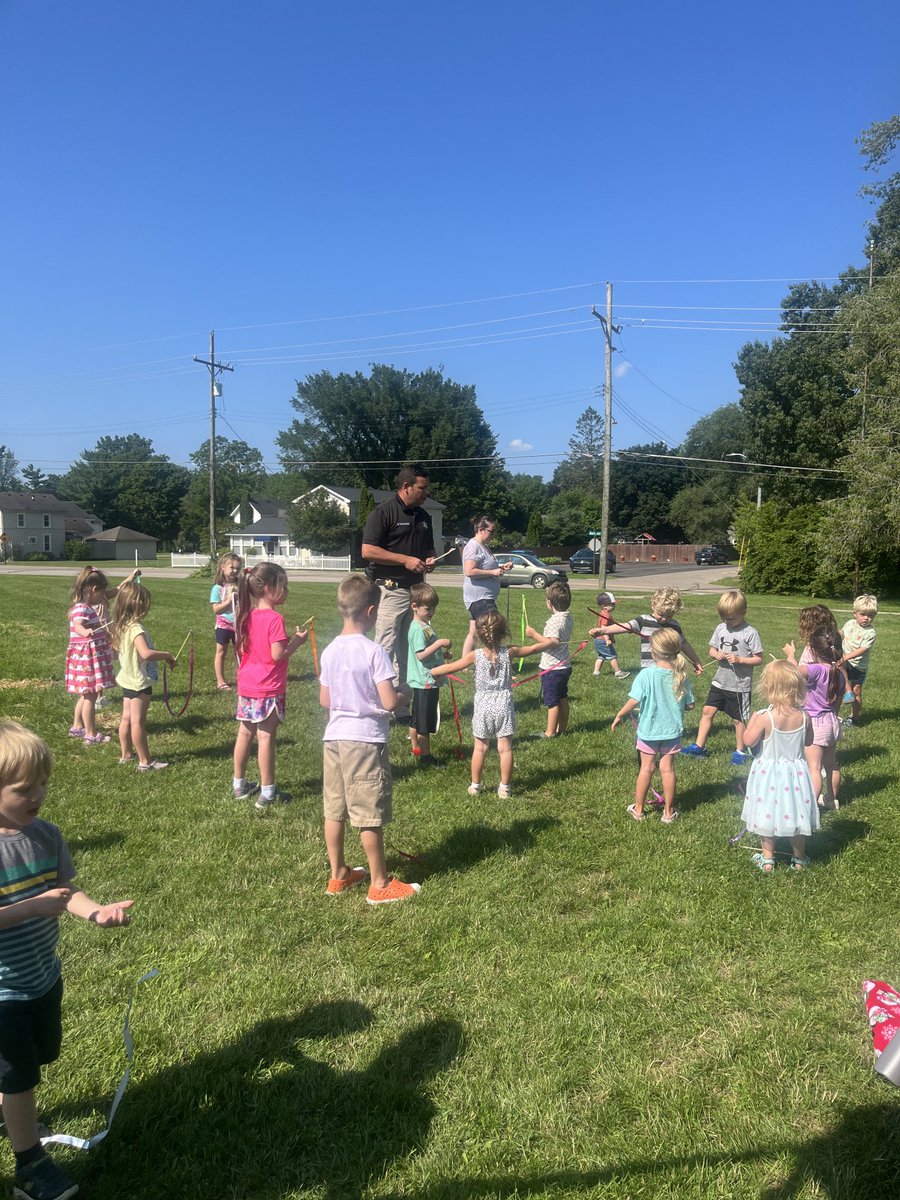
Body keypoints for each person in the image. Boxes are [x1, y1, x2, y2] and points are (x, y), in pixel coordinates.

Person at [0, 720, 133, 1200]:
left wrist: (95, 911)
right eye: (23, 788)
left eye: (43, 783)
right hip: (3, 991)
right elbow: (42, 901)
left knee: (41, 1056)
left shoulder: (47, 835)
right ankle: (30, 1167)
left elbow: (68, 891)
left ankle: (9, 1106)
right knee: (19, 1077)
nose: (38, 794)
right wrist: (33, 907)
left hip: (42, 976)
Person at [319, 575, 420, 905]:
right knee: (367, 813)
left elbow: (325, 700)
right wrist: (405, 693)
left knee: (334, 810)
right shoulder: (374, 651)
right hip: (363, 741)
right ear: (372, 611)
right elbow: (389, 701)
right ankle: (379, 884)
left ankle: (338, 875)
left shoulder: (330, 650)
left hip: (333, 738)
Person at [431, 611, 546, 798]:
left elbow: (453, 667)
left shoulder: (474, 656)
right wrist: (551, 643)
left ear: (479, 634)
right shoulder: (510, 652)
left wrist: (434, 670)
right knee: (505, 748)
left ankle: (475, 786)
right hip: (504, 704)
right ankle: (505, 788)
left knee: (480, 748)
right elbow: (533, 649)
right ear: (503, 633)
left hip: (483, 705)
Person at [361, 466, 437, 716]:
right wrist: (404, 559)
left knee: (408, 648)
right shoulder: (384, 512)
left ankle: (400, 705)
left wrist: (431, 559)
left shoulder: (424, 517)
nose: (426, 492)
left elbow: (428, 550)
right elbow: (368, 551)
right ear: (406, 487)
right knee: (385, 646)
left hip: (416, 591)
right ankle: (373, 703)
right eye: (422, 488)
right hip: (390, 589)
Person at [232, 563, 308, 810]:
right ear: (267, 589)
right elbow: (277, 655)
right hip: (268, 687)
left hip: (247, 685)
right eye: (282, 586)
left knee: (244, 734)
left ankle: (239, 784)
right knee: (265, 738)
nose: (286, 591)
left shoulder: (246, 614)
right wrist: (297, 642)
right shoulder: (275, 619)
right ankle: (268, 792)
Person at [739, 660, 819, 872]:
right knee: (797, 814)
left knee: (767, 813)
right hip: (795, 773)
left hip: (769, 774)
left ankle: (767, 859)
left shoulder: (765, 717)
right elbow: (809, 741)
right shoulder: (804, 716)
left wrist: (751, 722)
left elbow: (748, 741)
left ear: (768, 687)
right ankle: (799, 859)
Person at [611, 627, 695, 824]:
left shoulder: (646, 675)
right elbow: (691, 705)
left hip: (649, 732)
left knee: (646, 768)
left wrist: (619, 715)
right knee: (667, 770)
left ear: (653, 652)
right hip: (672, 732)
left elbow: (633, 700)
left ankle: (638, 810)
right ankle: (668, 812)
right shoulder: (681, 676)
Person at [681, 589, 763, 764]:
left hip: (739, 686)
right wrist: (715, 654)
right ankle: (699, 746)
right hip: (720, 682)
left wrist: (740, 659)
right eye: (724, 617)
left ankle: (740, 752)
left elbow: (758, 659)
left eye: (731, 618)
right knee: (707, 711)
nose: (727, 621)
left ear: (743, 612)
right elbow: (712, 649)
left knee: (738, 719)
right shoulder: (721, 628)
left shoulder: (750, 633)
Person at [65, 566, 138, 744]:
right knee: (90, 695)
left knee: (85, 694)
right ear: (94, 590)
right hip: (86, 658)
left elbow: (98, 629)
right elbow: (78, 625)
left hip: (86, 657)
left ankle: (77, 727)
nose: (104, 597)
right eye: (102, 592)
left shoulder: (88, 607)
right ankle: (90, 733)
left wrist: (108, 637)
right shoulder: (81, 609)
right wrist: (85, 632)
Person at [111, 580, 177, 771]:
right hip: (139, 682)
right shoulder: (136, 629)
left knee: (126, 719)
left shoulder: (122, 626)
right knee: (138, 722)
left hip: (127, 679)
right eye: (146, 604)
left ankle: (125, 754)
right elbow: (145, 653)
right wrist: (167, 656)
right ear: (138, 605)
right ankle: (145, 761)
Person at [785, 633, 847, 810]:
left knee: (814, 767)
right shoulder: (839, 674)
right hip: (832, 720)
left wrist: (791, 655)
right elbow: (838, 701)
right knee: (831, 764)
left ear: (813, 650)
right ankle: (832, 799)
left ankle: (809, 805)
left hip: (816, 723)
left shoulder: (816, 670)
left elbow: (793, 673)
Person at [603, 586, 703, 674]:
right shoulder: (644, 621)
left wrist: (696, 661)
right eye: (660, 614)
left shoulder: (674, 625)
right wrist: (603, 631)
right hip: (648, 670)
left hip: (670, 671)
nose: (664, 619)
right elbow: (625, 626)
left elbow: (684, 644)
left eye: (669, 615)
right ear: (653, 606)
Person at [406, 583, 452, 768]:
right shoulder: (417, 629)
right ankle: (425, 756)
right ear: (414, 606)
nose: (431, 611)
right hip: (426, 681)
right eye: (427, 608)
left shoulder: (424, 625)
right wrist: (440, 643)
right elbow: (421, 655)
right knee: (424, 722)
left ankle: (415, 748)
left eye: (434, 608)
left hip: (425, 680)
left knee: (417, 717)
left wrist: (442, 655)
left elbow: (428, 652)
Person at [526, 581, 573, 739]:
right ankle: (562, 728)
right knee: (562, 698)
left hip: (553, 668)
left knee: (552, 701)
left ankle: (550, 732)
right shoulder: (567, 617)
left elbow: (552, 642)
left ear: (549, 603)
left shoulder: (555, 621)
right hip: (563, 666)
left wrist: (533, 635)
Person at [460, 516, 512, 655]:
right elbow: (469, 571)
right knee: (493, 631)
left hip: (482, 598)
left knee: (473, 632)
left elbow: (485, 567)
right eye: (491, 531)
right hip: (480, 599)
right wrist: (493, 572)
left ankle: (463, 664)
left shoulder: (483, 547)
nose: (493, 535)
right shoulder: (473, 546)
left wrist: (501, 567)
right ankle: (495, 663)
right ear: (481, 530)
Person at [840, 595, 878, 726]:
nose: (866, 618)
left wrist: (845, 657)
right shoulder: (850, 623)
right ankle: (832, 712)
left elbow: (863, 649)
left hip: (858, 666)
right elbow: (841, 634)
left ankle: (854, 718)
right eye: (863, 614)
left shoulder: (870, 632)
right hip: (844, 663)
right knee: (837, 686)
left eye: (871, 615)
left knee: (856, 691)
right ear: (855, 613)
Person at [210, 552, 243, 691]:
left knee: (241, 651)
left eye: (237, 568)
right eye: (232, 567)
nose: (235, 571)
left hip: (239, 624)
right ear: (223, 567)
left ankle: (244, 678)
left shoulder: (241, 585)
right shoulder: (218, 588)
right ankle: (221, 681)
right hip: (224, 624)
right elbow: (216, 609)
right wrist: (229, 600)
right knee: (221, 651)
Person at [587, 591, 630, 680]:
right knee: (612, 656)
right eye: (612, 604)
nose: (614, 606)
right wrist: (607, 639)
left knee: (601, 656)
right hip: (603, 639)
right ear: (604, 606)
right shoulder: (606, 614)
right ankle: (618, 672)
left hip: (598, 640)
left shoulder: (603, 613)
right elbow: (604, 628)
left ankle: (596, 672)